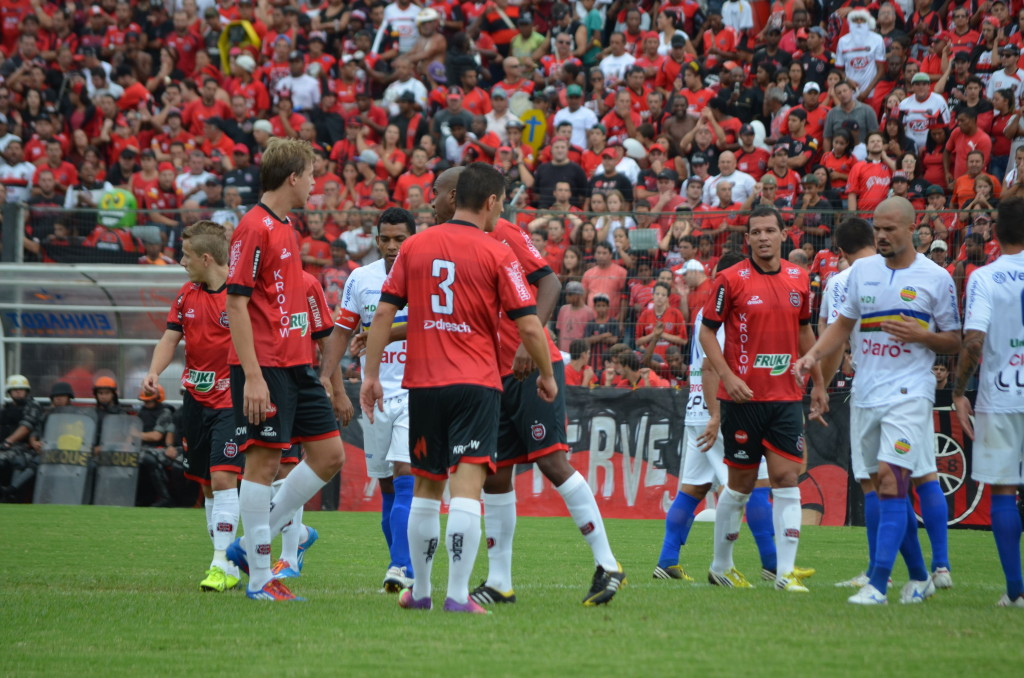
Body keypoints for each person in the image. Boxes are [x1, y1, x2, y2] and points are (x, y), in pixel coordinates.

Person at [359, 162, 556, 614]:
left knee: (428, 487)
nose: (500, 211)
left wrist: (370, 374)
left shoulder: (414, 246)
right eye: (501, 203)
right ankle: (458, 596)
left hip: (423, 385)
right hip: (475, 383)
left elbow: (385, 315)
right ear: (489, 202)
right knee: (466, 488)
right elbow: (528, 325)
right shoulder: (496, 252)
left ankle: (421, 592)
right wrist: (545, 374)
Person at [429, 166, 623, 608]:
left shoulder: (506, 234)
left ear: (457, 195)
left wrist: (525, 337)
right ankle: (500, 581)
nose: (432, 202)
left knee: (553, 463)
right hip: (488, 377)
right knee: (496, 477)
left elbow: (550, 281)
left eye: (436, 194)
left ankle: (608, 562)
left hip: (531, 366)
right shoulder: (447, 243)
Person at [795, 197, 961, 605]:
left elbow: (956, 340)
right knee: (875, 482)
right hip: (867, 392)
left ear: (912, 227)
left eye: (890, 229)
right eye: (878, 229)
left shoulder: (936, 278)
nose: (883, 236)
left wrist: (922, 336)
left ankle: (878, 583)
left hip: (910, 392)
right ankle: (920, 576)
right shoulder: (860, 273)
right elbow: (842, 325)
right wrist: (813, 354)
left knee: (892, 479)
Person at [223, 138, 345, 602]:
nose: (316, 184)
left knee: (331, 455)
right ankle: (258, 578)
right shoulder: (252, 227)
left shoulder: (286, 226)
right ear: (292, 177)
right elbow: (235, 303)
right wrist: (252, 375)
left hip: (298, 365)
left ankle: (250, 543)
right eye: (312, 174)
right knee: (264, 463)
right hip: (267, 367)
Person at [700, 205, 828, 592]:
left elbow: (805, 333)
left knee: (787, 479)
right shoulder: (729, 280)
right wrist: (727, 377)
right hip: (742, 400)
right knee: (739, 486)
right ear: (748, 239)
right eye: (756, 232)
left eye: (770, 230)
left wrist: (818, 382)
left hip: (787, 397)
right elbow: (707, 334)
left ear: (783, 234)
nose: (763, 238)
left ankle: (784, 574)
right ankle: (721, 566)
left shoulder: (799, 279)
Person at [656, 251, 804, 583]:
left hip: (696, 408)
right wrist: (717, 415)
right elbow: (713, 366)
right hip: (721, 409)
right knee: (755, 486)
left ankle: (667, 560)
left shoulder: (701, 313)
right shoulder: (732, 310)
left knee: (693, 489)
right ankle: (772, 562)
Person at [143, 220, 243, 592]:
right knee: (207, 485)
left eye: (185, 256)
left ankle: (219, 563)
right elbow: (170, 338)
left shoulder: (240, 294)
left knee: (223, 476)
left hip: (232, 399)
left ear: (205, 258)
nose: (181, 262)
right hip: (195, 402)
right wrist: (154, 371)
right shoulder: (187, 295)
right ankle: (229, 562)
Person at [319, 207, 414, 593]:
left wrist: (388, 333)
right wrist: (328, 376)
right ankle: (404, 568)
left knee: (406, 474)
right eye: (386, 239)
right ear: (376, 241)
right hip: (374, 393)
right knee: (387, 487)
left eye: (400, 239)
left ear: (412, 237)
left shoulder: (426, 275)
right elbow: (341, 331)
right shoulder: (361, 278)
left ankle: (400, 565)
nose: (392, 247)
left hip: (415, 390)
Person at [951, 196, 1024, 607]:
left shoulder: (985, 277)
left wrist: (959, 392)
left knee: (1003, 492)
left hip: (1002, 396)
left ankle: (1016, 591)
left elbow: (974, 339)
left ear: (996, 234)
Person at [0, 375, 45, 503]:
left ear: (27, 391)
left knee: (8, 459)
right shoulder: (5, 409)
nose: (18, 392)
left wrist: (8, 441)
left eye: (21, 389)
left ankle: (11, 493)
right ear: (9, 392)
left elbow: (27, 426)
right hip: (6, 447)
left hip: (26, 448)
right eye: (15, 389)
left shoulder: (33, 406)